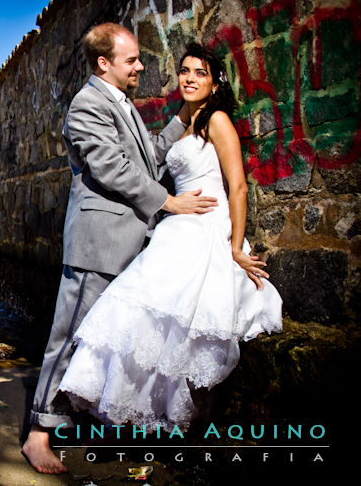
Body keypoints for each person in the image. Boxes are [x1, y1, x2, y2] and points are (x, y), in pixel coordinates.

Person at [21, 23, 219, 474]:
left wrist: (184, 118)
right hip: (98, 244)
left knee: (101, 341)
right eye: (131, 60)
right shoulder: (87, 104)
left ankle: (73, 421)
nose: (140, 66)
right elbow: (110, 168)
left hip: (128, 243)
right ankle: (37, 435)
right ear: (104, 63)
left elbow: (147, 157)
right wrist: (169, 202)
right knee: (69, 338)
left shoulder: (122, 103)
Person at [57, 42, 283, 433]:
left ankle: (183, 418)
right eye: (185, 71)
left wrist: (233, 246)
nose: (190, 78)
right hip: (175, 228)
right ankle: (141, 411)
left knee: (180, 320)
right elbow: (156, 156)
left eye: (201, 73)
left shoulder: (218, 122)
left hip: (206, 228)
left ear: (216, 85)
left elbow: (238, 188)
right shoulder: (186, 121)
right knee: (140, 312)